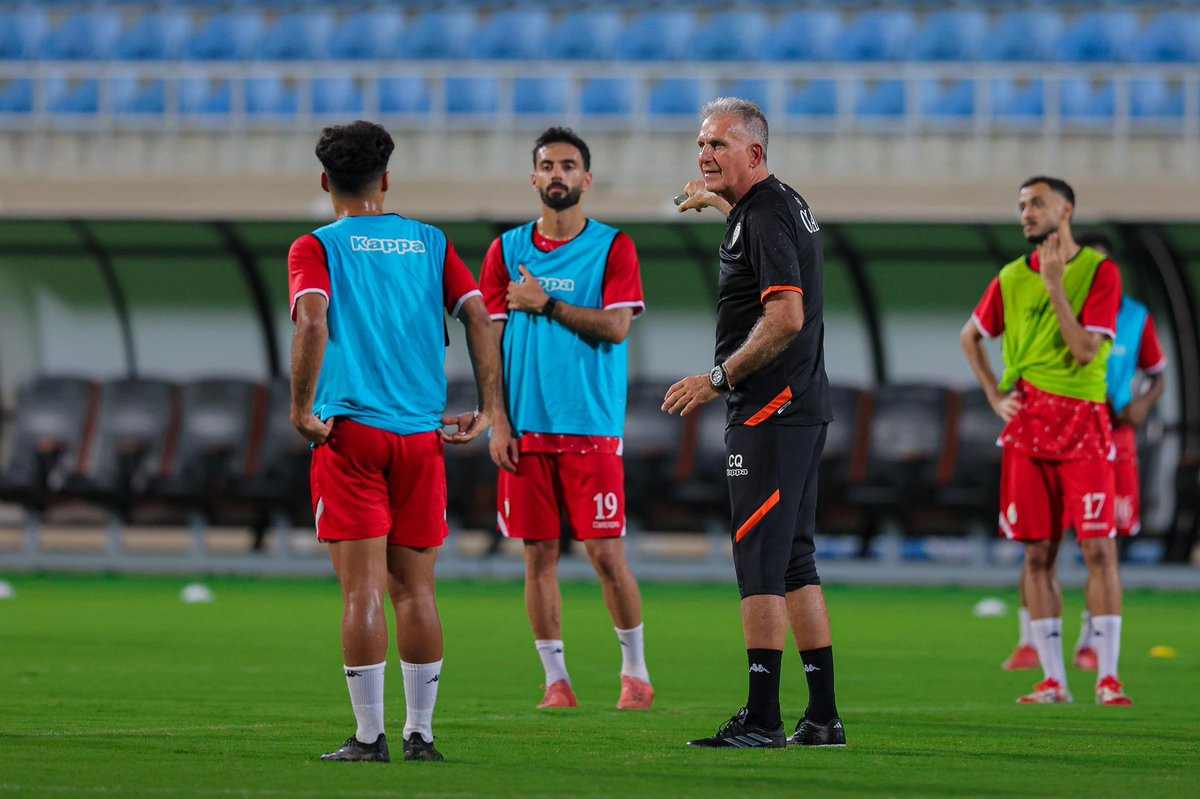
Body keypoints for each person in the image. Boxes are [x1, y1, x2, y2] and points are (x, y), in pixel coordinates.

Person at [288, 120, 504, 762]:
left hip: (351, 434)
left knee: (362, 591)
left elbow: (311, 321)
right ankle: (422, 735)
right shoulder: (431, 242)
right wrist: (490, 407)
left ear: (325, 181)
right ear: (385, 180)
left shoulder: (315, 246)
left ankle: (367, 737)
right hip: (420, 437)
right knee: (417, 590)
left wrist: (300, 408)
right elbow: (478, 314)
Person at [664, 98, 844, 748]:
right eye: (701, 144)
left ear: (755, 152)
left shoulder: (763, 215)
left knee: (761, 562)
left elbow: (785, 316)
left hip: (769, 411)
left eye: (719, 144)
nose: (705, 154)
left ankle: (763, 717)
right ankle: (821, 717)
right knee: (794, 560)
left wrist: (717, 378)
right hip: (798, 407)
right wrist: (720, 202)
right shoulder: (773, 205)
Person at [479, 127, 654, 711]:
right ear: (534, 178)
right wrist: (498, 420)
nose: (558, 174)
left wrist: (546, 303)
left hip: (590, 425)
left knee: (605, 554)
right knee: (538, 556)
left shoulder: (613, 247)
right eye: (548, 166)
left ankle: (635, 674)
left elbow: (617, 327)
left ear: (587, 178)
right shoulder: (505, 251)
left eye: (569, 165)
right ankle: (556, 681)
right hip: (525, 429)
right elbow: (489, 344)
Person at [961, 177, 1133, 706]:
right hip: (1028, 425)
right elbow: (970, 336)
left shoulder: (1100, 272)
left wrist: (1056, 284)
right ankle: (1053, 680)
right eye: (1021, 206)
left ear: (1067, 209)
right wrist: (994, 394)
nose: (1026, 214)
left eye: (1037, 203)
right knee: (1038, 554)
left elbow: (1084, 351)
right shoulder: (1011, 276)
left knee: (1099, 549)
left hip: (1083, 424)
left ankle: (1107, 677)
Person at [1000, 230, 1166, 674]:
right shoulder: (1049, 308)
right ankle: (1029, 640)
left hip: (1111, 436)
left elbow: (1157, 373)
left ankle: (1092, 642)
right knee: (1041, 545)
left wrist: (1143, 405)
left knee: (1103, 544)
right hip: (1053, 435)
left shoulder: (1135, 316)